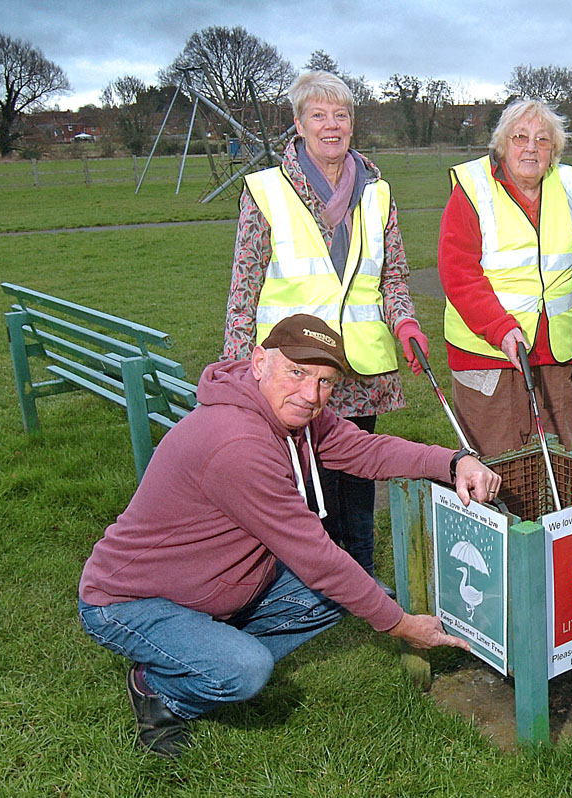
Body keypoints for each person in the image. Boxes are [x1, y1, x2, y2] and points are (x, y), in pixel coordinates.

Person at [79, 315, 500, 758]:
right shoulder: (237, 445)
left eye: (325, 382)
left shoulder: (292, 415)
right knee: (244, 670)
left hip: (212, 589)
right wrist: (401, 625)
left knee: (360, 592)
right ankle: (159, 689)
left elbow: (364, 449)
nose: (311, 395)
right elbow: (315, 557)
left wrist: (453, 462)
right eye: (297, 373)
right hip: (130, 601)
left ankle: (205, 645)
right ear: (259, 362)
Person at [225, 70, 429, 591]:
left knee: (357, 473)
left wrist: (404, 317)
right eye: (318, 115)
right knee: (296, 480)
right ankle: (306, 577)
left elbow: (394, 276)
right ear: (298, 124)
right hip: (291, 369)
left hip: (359, 368)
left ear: (353, 125)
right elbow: (243, 288)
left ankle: (359, 572)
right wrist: (233, 365)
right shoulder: (266, 190)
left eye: (341, 115)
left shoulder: (378, 193)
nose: (331, 126)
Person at [437, 98, 572, 456]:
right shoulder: (472, 189)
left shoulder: (569, 186)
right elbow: (459, 274)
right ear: (503, 144)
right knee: (496, 471)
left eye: (543, 140)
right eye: (520, 137)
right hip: (488, 357)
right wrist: (500, 328)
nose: (531, 148)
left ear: (555, 150)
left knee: (556, 467)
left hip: (554, 356)